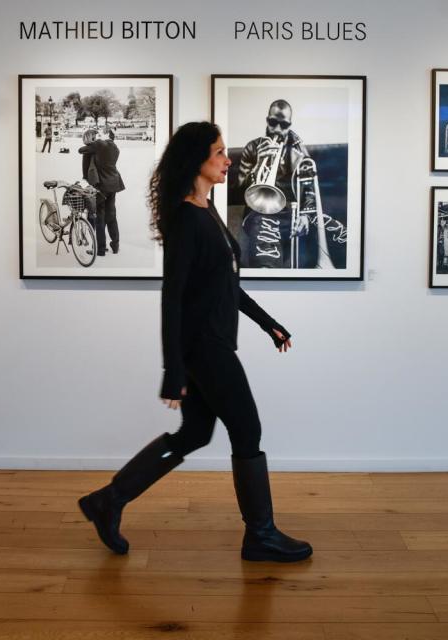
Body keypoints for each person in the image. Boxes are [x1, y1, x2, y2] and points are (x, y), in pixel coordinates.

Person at [78, 121, 312, 563]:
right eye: (219, 152)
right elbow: (174, 298)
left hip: (213, 341)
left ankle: (108, 500)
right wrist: (174, 371)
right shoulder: (187, 218)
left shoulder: (206, 211)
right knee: (247, 430)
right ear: (197, 161)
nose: (228, 159)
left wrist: (269, 324)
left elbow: (225, 286)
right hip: (206, 346)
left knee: (196, 433)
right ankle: (260, 534)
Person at [236, 99, 314, 268]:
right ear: (267, 120)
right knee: (266, 260)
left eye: (284, 125)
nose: (277, 129)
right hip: (260, 212)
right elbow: (239, 191)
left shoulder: (298, 150)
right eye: (273, 123)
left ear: (290, 125)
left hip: (290, 212)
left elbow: (309, 186)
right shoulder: (252, 147)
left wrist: (305, 215)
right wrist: (257, 167)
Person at [79, 129, 125, 256]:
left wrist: (89, 144)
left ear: (104, 135)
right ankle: (115, 246)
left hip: (102, 186)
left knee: (100, 217)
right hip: (114, 184)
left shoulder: (99, 144)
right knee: (112, 216)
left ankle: (100, 249)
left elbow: (80, 150)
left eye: (99, 134)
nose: (97, 136)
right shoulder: (114, 147)